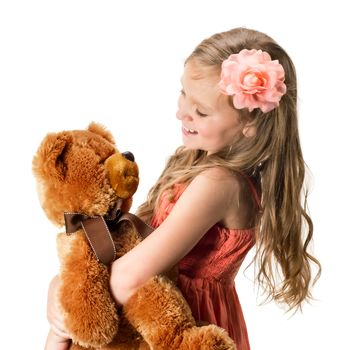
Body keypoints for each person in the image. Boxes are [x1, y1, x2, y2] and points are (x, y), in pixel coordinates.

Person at [45, 27, 321, 350]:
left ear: (250, 124)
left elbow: (129, 277)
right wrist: (62, 286)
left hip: (182, 322)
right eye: (183, 94)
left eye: (201, 111)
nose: (182, 112)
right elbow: (129, 243)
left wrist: (73, 298)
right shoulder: (198, 163)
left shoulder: (218, 185)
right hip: (158, 309)